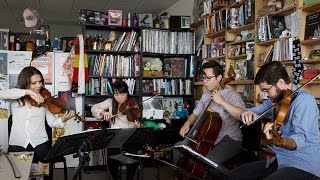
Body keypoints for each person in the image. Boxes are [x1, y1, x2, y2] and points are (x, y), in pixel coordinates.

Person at [211, 61, 320, 179]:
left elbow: (297, 141)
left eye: (266, 90)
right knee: (233, 176)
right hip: (279, 159)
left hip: (303, 164)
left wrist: (278, 140)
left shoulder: (304, 101)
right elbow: (255, 112)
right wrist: (249, 113)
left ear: (281, 83)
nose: (266, 95)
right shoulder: (276, 99)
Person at [177, 61, 246, 178]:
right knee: (178, 149)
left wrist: (222, 101)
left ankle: (233, 176)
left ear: (219, 78)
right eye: (203, 78)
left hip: (230, 140)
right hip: (207, 139)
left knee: (208, 163)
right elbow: (196, 113)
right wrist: (187, 123)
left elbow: (242, 116)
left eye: (208, 78)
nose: (204, 82)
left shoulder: (233, 95)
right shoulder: (206, 95)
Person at [1, 66, 75, 163]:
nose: (38, 85)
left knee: (42, 173)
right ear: (25, 83)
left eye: (40, 82)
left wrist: (63, 120)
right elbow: (2, 94)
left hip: (40, 144)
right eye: (34, 83)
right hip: (18, 144)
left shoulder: (44, 99)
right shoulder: (16, 98)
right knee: (19, 173)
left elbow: (52, 122)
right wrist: (27, 92)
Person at [91, 80, 142, 180]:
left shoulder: (133, 103)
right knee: (112, 161)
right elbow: (94, 108)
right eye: (116, 95)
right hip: (115, 137)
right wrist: (102, 112)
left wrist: (137, 127)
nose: (120, 98)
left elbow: (137, 122)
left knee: (132, 159)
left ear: (127, 92)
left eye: (123, 94)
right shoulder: (110, 102)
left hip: (130, 136)